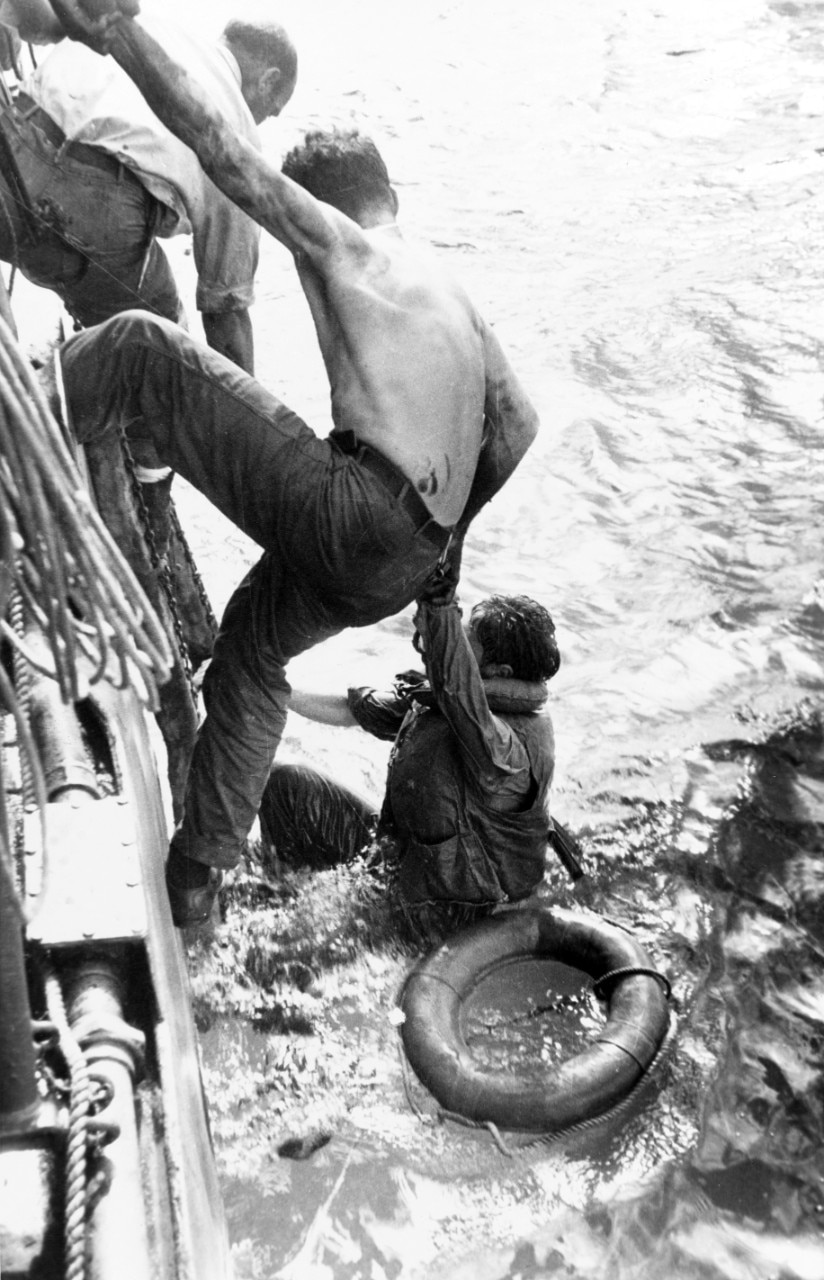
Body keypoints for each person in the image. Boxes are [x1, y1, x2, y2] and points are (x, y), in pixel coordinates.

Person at [55, 2, 541, 927]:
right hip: (403, 561)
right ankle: (197, 878)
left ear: (333, 196)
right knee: (249, 651)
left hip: (351, 509)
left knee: (137, 347)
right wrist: (447, 555)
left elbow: (226, 156)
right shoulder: (453, 293)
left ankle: (24, 440)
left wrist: (114, 29)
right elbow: (515, 427)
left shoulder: (349, 243)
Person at [0, 3, 297, 372]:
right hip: (80, 210)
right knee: (166, 360)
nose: (265, 119)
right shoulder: (240, 137)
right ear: (269, 80)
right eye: (273, 109)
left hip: (12, 145)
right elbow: (226, 312)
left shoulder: (151, 27)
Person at [260, 588, 561, 909]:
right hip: (402, 865)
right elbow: (353, 710)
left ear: (500, 673)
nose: (452, 645)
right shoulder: (444, 701)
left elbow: (466, 706)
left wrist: (441, 615)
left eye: (463, 643)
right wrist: (274, 689)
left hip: (456, 909)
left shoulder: (505, 747)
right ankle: (282, 895)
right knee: (286, 783)